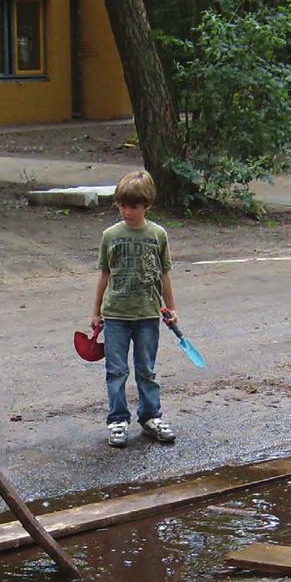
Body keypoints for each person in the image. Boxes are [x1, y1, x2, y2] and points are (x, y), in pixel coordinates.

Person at [91, 170, 178, 448]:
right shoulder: (110, 235)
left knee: (146, 370)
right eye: (122, 205)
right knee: (116, 370)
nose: (127, 211)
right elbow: (104, 274)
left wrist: (171, 308)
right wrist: (95, 312)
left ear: (147, 206)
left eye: (133, 206)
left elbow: (164, 274)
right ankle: (117, 421)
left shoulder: (157, 235)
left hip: (148, 314)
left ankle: (151, 417)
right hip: (116, 315)